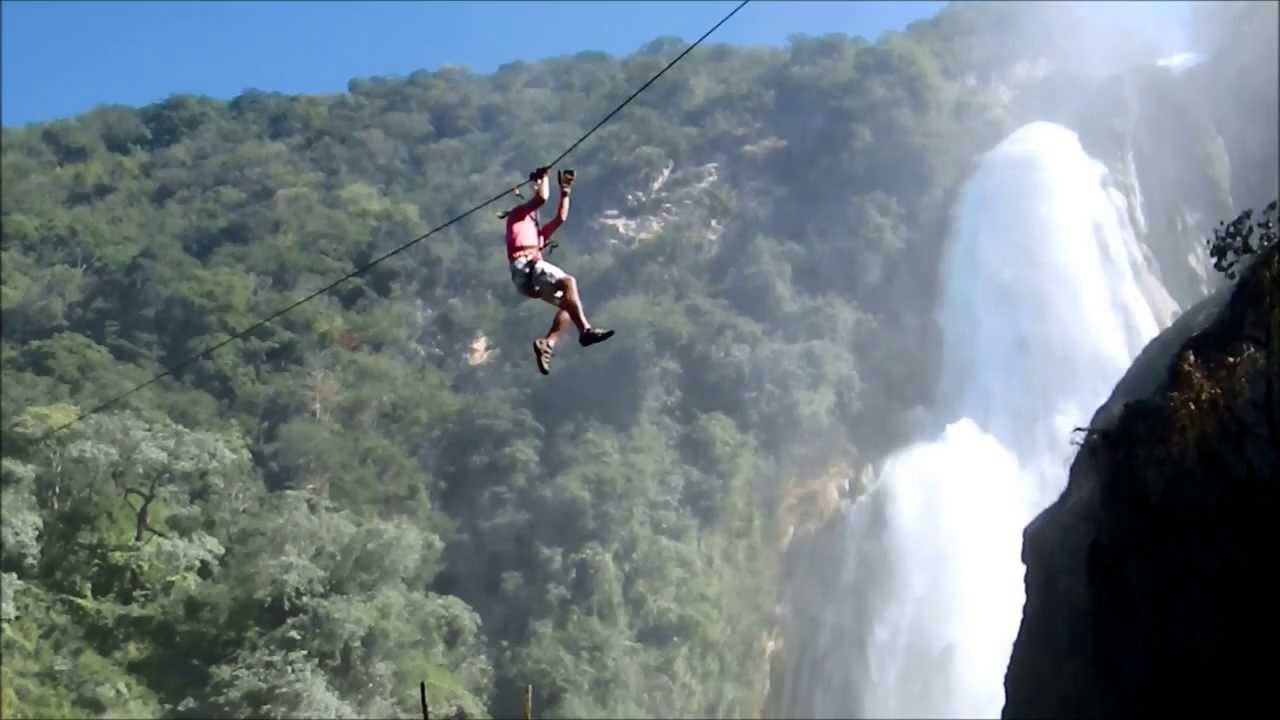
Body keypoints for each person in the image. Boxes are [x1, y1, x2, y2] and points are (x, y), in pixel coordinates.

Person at [503, 166, 613, 375]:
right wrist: (543, 178)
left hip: (527, 275)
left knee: (569, 306)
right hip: (525, 265)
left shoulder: (538, 236)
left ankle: (548, 344)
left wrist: (565, 192)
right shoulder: (517, 215)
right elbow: (541, 199)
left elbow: (560, 218)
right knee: (569, 282)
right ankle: (586, 331)